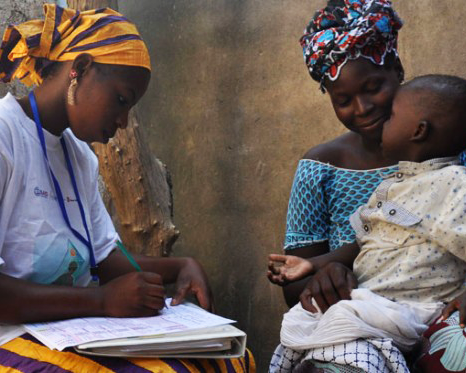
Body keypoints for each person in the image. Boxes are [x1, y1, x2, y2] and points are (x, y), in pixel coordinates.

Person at [0, 5, 254, 372]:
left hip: (68, 328)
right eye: (121, 100)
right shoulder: (6, 136)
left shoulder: (79, 157)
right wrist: (102, 301)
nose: (122, 122)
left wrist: (181, 265)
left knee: (227, 359)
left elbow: (105, 259)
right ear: (81, 69)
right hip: (12, 332)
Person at [268, 74, 466, 372]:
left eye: (390, 115)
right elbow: (365, 242)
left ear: (419, 130)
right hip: (372, 306)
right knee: (330, 353)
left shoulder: (453, 183)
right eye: (344, 100)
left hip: (417, 311)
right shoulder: (393, 185)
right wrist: (314, 265)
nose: (365, 110)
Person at [269, 0, 407, 372]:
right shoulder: (320, 166)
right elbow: (293, 284)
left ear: (397, 69)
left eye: (373, 87)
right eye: (343, 100)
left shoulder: (446, 150)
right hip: (354, 326)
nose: (361, 108)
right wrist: (326, 276)